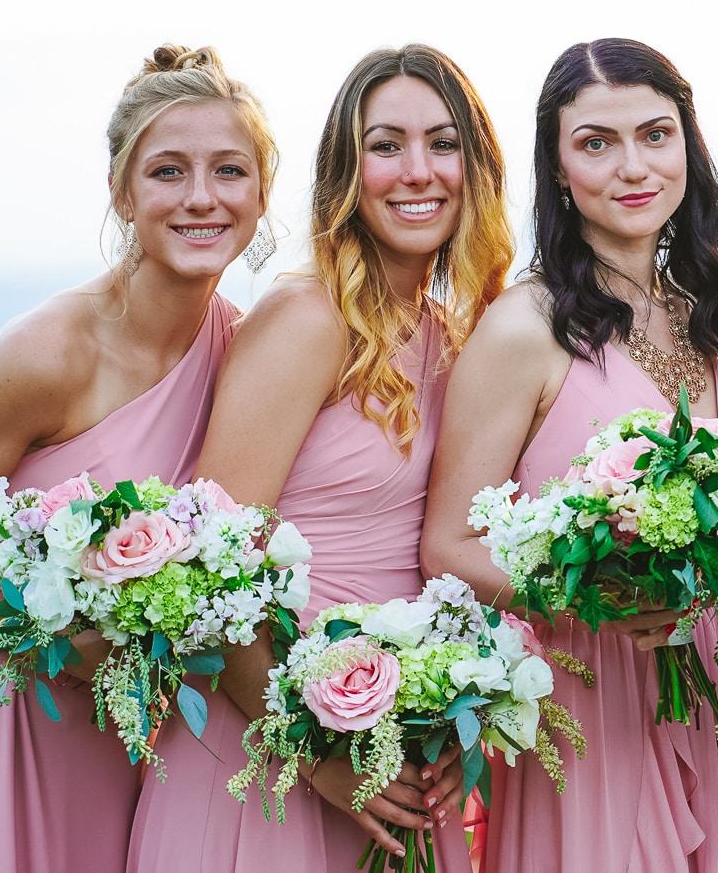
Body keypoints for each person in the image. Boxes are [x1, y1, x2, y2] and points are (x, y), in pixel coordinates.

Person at [0, 45, 275, 873]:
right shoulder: (51, 352)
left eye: (229, 170)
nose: (201, 197)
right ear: (124, 192)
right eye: (168, 171)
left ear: (261, 194)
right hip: (3, 740)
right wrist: (59, 636)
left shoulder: (249, 354)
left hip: (139, 756)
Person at [127, 44, 513, 871]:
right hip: (271, 760)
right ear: (347, 171)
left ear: (476, 167)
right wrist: (322, 762)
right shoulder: (309, 317)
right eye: (386, 145)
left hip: (401, 750)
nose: (418, 171)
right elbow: (211, 572)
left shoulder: (452, 337)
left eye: (443, 143)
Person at [422, 37, 718, 873]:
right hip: (582, 704)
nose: (632, 166)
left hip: (699, 696)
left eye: (655, 134)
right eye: (596, 143)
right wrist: (595, 600)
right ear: (559, 167)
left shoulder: (705, 317)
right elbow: (447, 545)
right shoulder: (522, 328)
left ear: (689, 144)